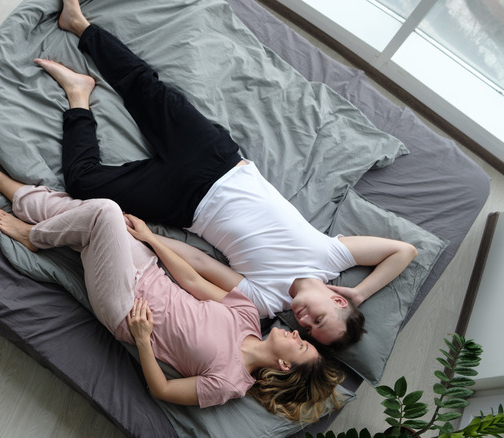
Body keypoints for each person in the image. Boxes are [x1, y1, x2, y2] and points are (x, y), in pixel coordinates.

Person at [34, 0, 418, 350]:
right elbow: (404, 250)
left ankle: (79, 95)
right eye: (319, 318)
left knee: (83, 184)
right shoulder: (330, 257)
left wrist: (152, 238)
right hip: (217, 163)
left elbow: (203, 267)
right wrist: (361, 294)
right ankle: (81, 25)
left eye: (307, 330)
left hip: (185, 205)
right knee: (145, 89)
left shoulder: (267, 304)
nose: (303, 321)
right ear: (336, 299)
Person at [0, 138, 343, 421]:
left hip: (126, 308)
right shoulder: (248, 315)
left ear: (284, 367)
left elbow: (161, 390)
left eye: (302, 345)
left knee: (105, 213)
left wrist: (144, 340)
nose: (297, 333)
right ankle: (2, 183)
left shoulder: (229, 383)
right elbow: (193, 281)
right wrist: (151, 240)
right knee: (83, 213)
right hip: (150, 272)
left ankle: (34, 238)